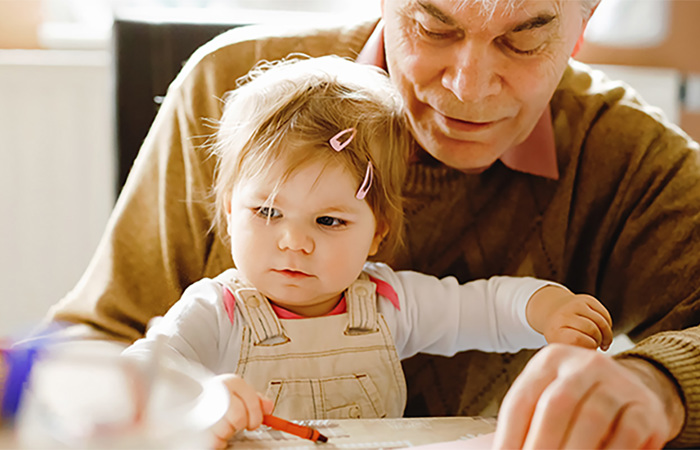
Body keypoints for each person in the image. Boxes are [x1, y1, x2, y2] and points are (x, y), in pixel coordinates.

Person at [43, 0, 700, 447]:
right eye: (433, 24)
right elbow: (95, 348)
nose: (468, 86)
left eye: (524, 35)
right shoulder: (225, 86)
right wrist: (191, 399)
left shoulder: (627, 158)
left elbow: (478, 309)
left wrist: (660, 381)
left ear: (584, 20)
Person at [122, 55, 613, 448]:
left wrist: (546, 308)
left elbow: (480, 307)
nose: (294, 241)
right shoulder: (218, 311)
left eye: (329, 220)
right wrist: (201, 397)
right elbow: (139, 376)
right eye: (267, 212)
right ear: (231, 212)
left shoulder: (386, 302)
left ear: (377, 232)